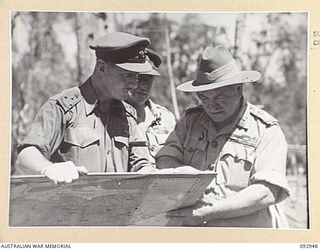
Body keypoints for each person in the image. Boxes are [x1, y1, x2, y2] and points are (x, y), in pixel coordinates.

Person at [155, 45, 291, 228]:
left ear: (238, 89)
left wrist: (208, 212)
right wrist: (185, 175)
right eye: (204, 98)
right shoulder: (190, 122)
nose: (212, 106)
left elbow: (267, 191)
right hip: (194, 232)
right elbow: (165, 158)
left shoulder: (265, 129)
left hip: (245, 235)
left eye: (220, 98)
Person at [15, 32, 154, 184]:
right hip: (70, 205)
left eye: (136, 76)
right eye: (127, 75)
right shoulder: (63, 108)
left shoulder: (128, 114)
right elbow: (25, 157)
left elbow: (141, 165)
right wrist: (48, 168)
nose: (134, 84)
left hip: (116, 205)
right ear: (101, 67)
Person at [126, 48, 176, 167]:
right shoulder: (111, 116)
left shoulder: (165, 117)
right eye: (139, 78)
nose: (143, 86)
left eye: (149, 79)